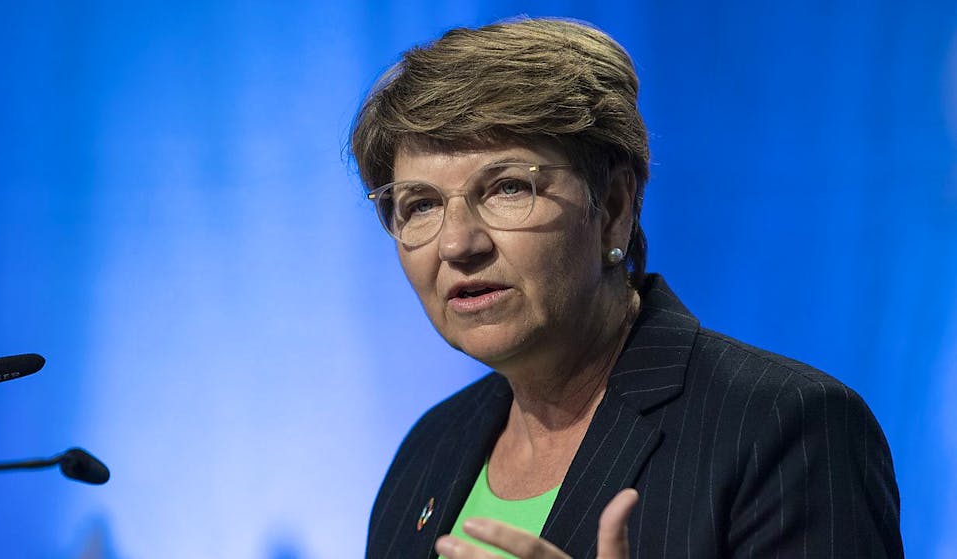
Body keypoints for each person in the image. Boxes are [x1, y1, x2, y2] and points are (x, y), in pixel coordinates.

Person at [350, 17, 902, 559]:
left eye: (507, 188)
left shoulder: (782, 427)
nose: (456, 244)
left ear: (613, 209)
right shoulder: (429, 451)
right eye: (420, 204)